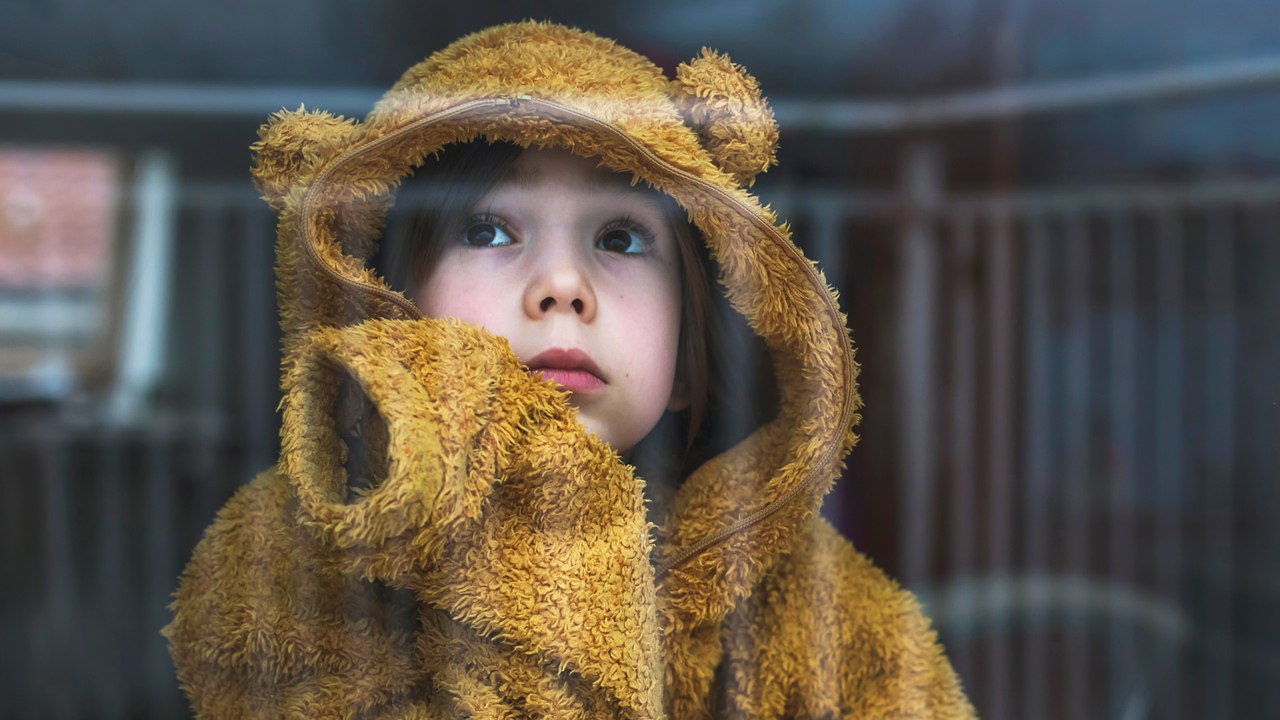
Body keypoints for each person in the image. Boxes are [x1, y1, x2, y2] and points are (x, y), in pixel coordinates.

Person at [164, 21, 975, 719]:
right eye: (487, 231)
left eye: (620, 238)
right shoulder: (299, 564)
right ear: (385, 305)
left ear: (687, 368)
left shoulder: (815, 610)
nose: (562, 286)